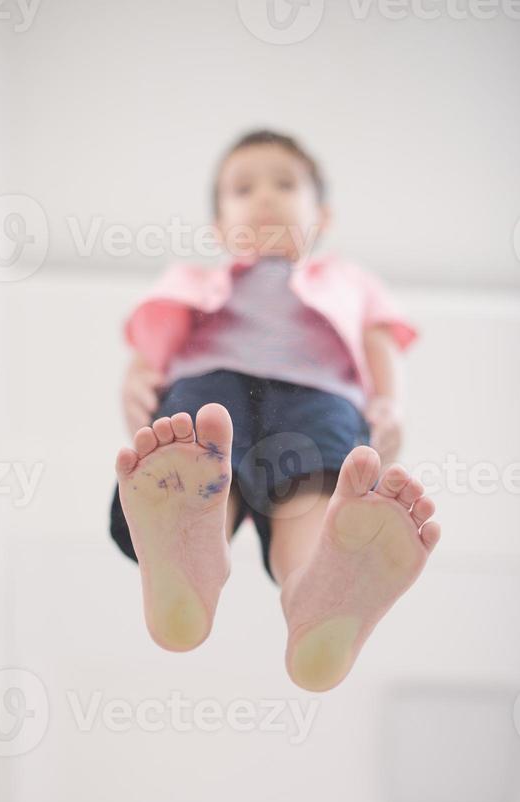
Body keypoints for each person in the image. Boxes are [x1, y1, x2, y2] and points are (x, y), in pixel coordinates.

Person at [109, 129, 441, 691]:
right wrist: (135, 384)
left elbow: (380, 342)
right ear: (218, 227)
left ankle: (316, 589)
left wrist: (390, 405)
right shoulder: (194, 280)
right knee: (201, 459)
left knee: (311, 501)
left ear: (323, 217)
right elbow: (150, 351)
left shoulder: (347, 278)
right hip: (211, 385)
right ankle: (193, 552)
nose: (264, 197)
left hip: (319, 396)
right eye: (243, 188)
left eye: (285, 184)